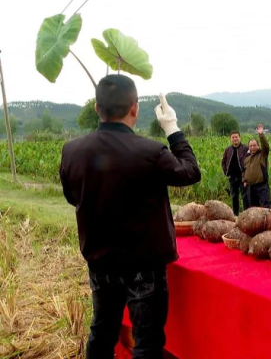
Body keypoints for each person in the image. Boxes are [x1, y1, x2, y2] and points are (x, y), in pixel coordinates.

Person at [59, 75, 201, 357]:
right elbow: (190, 172)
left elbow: (72, 197)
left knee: (102, 333)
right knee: (146, 342)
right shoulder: (150, 151)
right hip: (144, 266)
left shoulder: (72, 151)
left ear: (97, 108)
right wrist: (172, 129)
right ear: (135, 108)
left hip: (100, 263)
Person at [243, 124, 271, 208]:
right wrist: (244, 180)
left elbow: (266, 146)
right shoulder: (246, 158)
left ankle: (267, 221)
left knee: (266, 207)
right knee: (254, 208)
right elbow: (244, 170)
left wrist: (261, 135)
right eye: (251, 146)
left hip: (261, 185)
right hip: (250, 186)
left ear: (258, 146)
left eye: (254, 145)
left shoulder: (262, 154)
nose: (253, 147)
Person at [221, 130, 249, 215]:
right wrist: (226, 172)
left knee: (245, 196)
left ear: (240, 137)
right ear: (230, 139)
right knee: (234, 196)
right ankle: (235, 215)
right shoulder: (228, 150)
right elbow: (223, 162)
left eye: (236, 137)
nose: (235, 139)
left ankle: (246, 214)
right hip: (232, 177)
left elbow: (249, 161)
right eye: (233, 137)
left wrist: (246, 175)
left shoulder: (245, 148)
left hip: (243, 176)